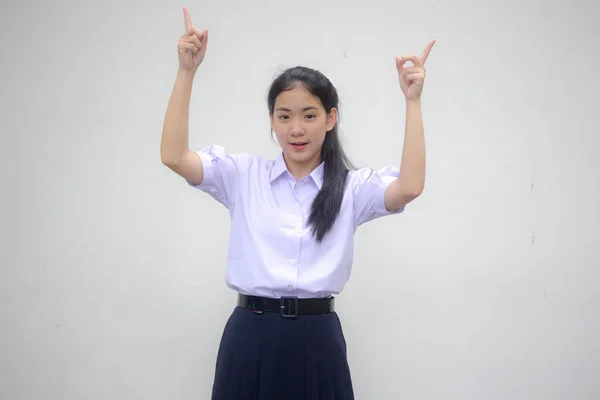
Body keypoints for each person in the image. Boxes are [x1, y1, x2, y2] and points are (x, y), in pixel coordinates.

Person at [160, 7, 435, 400]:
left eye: (309, 115)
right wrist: (186, 71)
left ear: (330, 118)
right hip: (249, 335)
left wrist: (413, 101)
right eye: (284, 116)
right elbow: (173, 155)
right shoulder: (242, 176)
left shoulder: (351, 188)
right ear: (271, 120)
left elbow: (409, 186)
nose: (296, 128)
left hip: (317, 340)